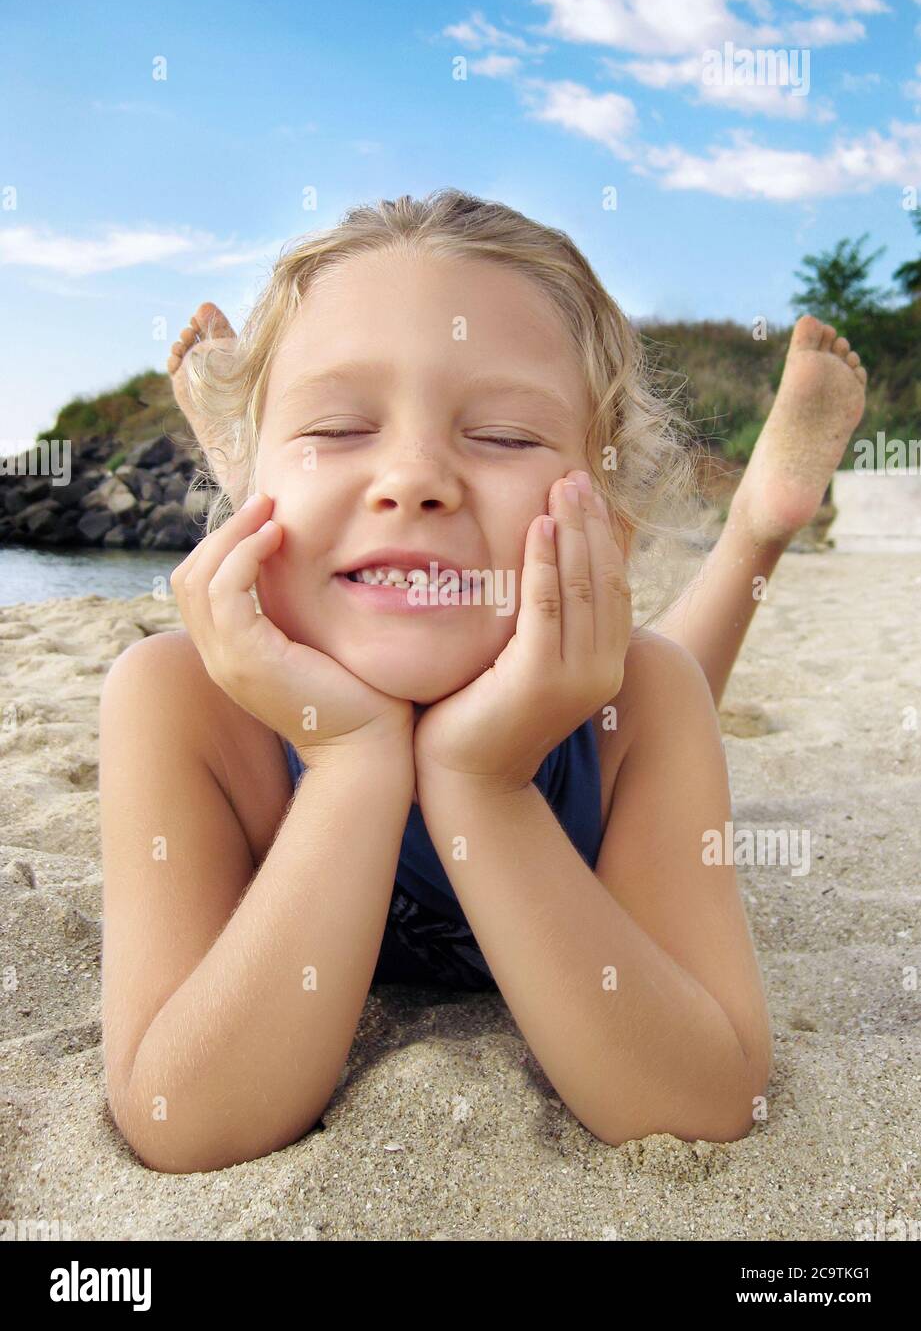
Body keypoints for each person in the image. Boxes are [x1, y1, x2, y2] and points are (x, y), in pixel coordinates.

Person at [99, 190, 867, 1174]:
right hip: (315, 560)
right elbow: (184, 1113)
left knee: (656, 671)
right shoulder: (180, 700)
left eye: (503, 435)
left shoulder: (643, 705)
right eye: (339, 426)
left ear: (610, 517)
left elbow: (707, 1096)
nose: (416, 474)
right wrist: (345, 759)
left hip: (601, 687)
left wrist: (482, 783)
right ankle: (259, 462)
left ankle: (759, 521)